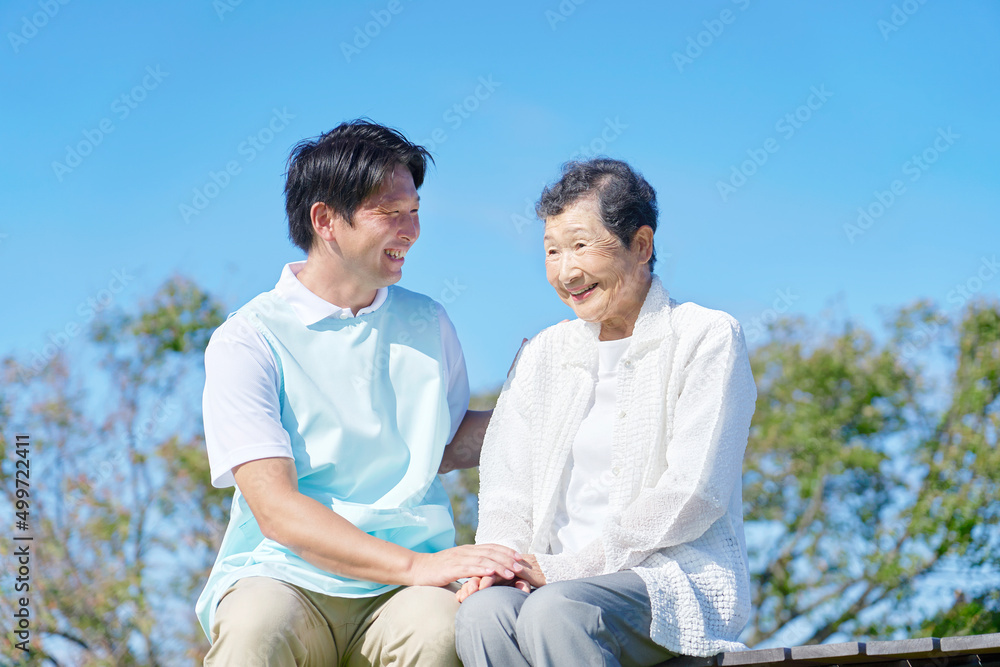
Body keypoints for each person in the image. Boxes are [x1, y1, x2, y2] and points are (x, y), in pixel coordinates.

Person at [195, 120, 522, 666]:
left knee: (444, 631)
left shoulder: (429, 321)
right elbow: (276, 509)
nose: (410, 229)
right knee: (255, 631)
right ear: (325, 220)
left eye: (414, 210)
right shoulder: (247, 338)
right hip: (284, 573)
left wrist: (538, 407)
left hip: (405, 593)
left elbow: (442, 444)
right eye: (389, 213)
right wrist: (418, 567)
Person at [455, 158, 757, 667]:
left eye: (581, 246)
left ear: (641, 245)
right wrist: (500, 563)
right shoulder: (542, 354)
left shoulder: (706, 336)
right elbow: (508, 485)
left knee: (558, 610)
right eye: (552, 251)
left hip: (666, 579)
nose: (566, 271)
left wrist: (571, 568)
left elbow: (694, 493)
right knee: (482, 612)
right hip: (546, 579)